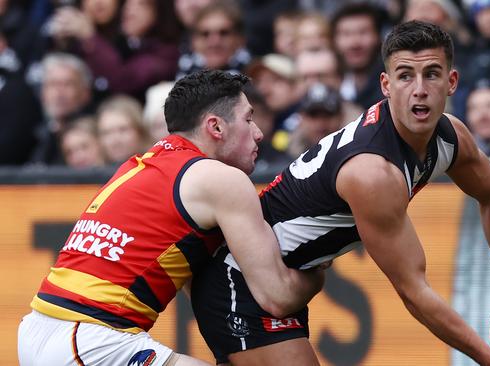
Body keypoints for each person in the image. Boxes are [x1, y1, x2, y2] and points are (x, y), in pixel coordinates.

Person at [191, 21, 490, 366]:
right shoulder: (372, 172)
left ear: (452, 82)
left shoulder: (452, 136)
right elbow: (413, 290)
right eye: (405, 76)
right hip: (238, 282)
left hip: (280, 280)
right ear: (386, 86)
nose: (419, 90)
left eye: (431, 74)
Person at [17, 70, 324, 366]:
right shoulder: (220, 179)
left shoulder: (143, 164)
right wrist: (318, 264)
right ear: (216, 127)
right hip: (87, 336)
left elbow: (205, 293)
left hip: (43, 328)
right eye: (248, 118)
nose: (258, 133)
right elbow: (278, 296)